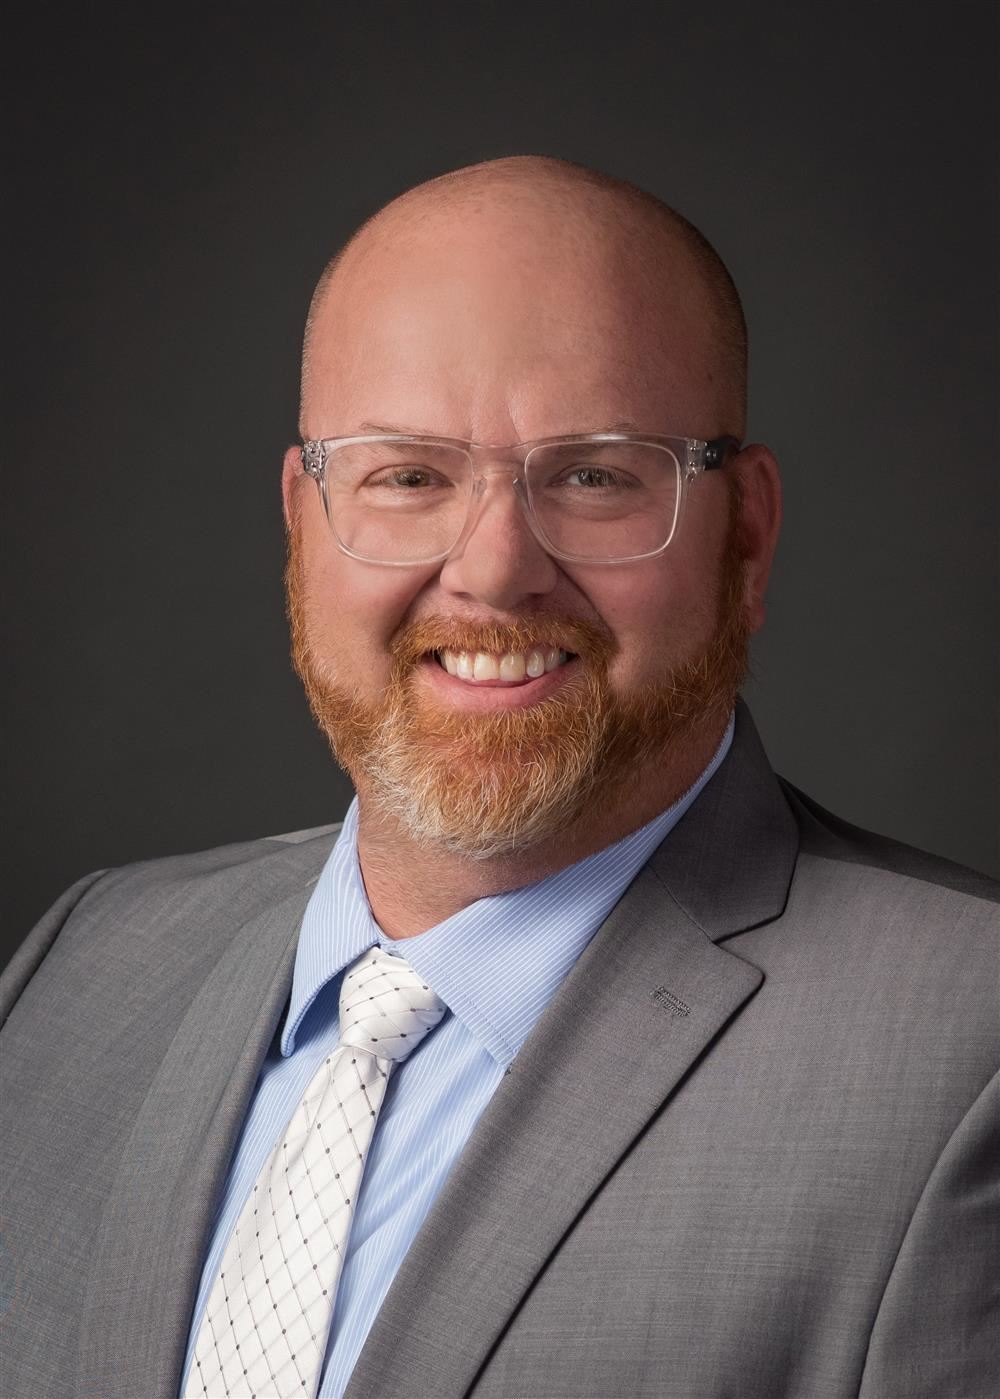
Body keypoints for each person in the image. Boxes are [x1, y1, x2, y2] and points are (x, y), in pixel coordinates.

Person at [1, 156, 997, 1399]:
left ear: (745, 536)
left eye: (594, 475)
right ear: (301, 524)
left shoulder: (966, 1060)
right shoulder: (84, 965)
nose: (491, 570)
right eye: (409, 476)